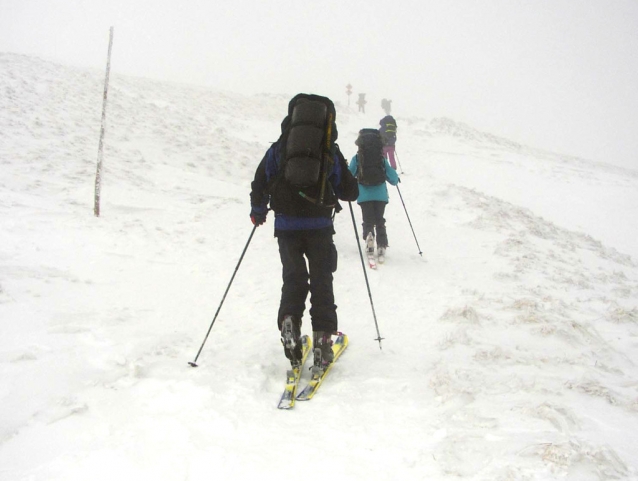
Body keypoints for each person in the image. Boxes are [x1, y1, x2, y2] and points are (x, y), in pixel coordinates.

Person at [250, 93, 359, 371]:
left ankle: (290, 320)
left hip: (286, 226)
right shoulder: (329, 150)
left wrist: (258, 211)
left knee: (294, 278)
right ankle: (323, 343)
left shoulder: (281, 147)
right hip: (320, 227)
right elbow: (350, 191)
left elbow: (260, 179)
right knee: (322, 280)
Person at [348, 129, 400, 258]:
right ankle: (382, 244)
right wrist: (395, 179)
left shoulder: (358, 158)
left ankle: (369, 237)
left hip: (364, 195)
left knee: (368, 220)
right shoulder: (381, 158)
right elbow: (392, 177)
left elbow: (350, 175)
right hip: (380, 195)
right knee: (380, 220)